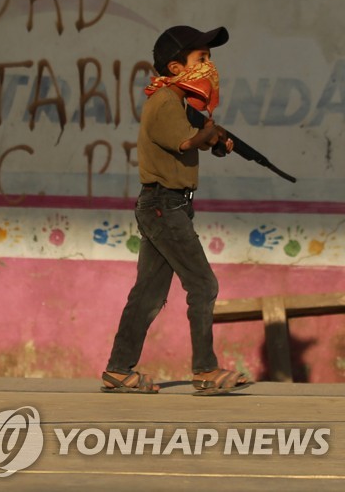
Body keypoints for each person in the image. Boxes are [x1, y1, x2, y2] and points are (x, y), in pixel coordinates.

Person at [101, 25, 253, 396]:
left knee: (149, 294)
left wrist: (216, 138)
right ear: (174, 67)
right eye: (201, 59)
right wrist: (210, 133)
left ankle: (118, 370)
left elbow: (191, 144)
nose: (209, 66)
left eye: (209, 58)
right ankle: (205, 370)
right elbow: (185, 141)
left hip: (169, 207)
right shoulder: (166, 101)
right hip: (163, 207)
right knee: (203, 284)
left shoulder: (181, 103)